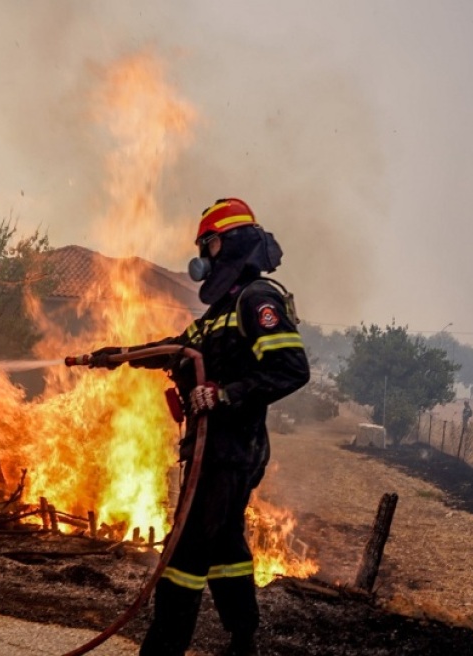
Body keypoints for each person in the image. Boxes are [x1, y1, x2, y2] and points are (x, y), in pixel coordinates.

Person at [88, 198, 310, 656]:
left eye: (207, 244)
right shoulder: (219, 313)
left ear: (228, 244)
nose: (202, 257)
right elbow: (176, 348)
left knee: (184, 552)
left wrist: (225, 394)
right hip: (215, 451)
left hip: (231, 450)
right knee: (225, 542)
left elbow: (292, 368)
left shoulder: (258, 299)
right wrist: (119, 356)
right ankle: (242, 637)